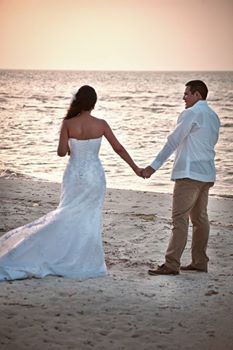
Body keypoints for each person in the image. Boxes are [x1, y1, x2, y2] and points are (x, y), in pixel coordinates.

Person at [0, 85, 143, 281]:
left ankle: (57, 251)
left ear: (78, 101)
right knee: (89, 215)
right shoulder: (101, 124)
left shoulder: (68, 123)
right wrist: (136, 169)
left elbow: (60, 152)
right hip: (95, 175)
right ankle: (85, 259)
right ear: (93, 103)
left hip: (74, 174)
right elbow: (118, 148)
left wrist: (70, 144)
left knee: (68, 210)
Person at [143, 80, 220, 275]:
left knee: (179, 219)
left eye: (187, 93)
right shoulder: (213, 116)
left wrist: (153, 166)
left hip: (189, 174)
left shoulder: (191, 113)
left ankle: (171, 264)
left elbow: (173, 141)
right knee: (200, 219)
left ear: (197, 95)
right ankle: (200, 262)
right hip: (207, 173)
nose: (183, 97)